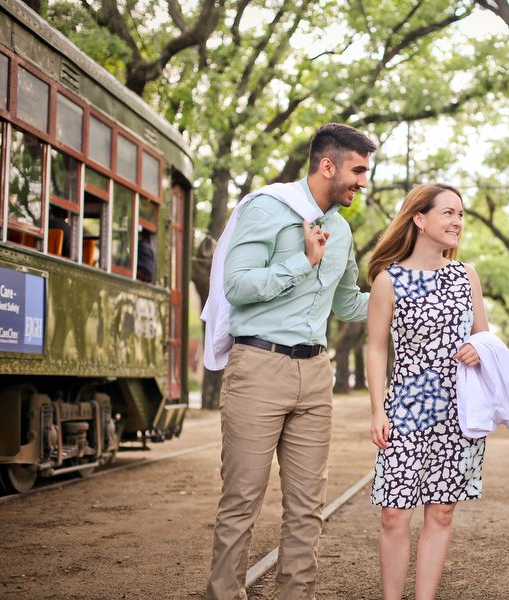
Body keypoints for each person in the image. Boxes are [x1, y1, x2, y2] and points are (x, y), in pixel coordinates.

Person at [204, 123, 376, 600]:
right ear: (328, 165)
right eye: (358, 170)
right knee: (241, 501)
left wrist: (406, 297)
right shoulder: (267, 209)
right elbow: (236, 287)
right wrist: (302, 262)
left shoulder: (341, 230)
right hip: (259, 366)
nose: (363, 181)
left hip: (317, 373)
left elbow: (348, 305)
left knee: (307, 507)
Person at [366, 183, 489, 600]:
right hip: (405, 408)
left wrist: (478, 348)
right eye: (448, 213)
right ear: (419, 219)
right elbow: (377, 348)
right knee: (394, 514)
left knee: (441, 511)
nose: (457, 221)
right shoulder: (389, 280)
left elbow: (484, 336)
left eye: (460, 214)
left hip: (458, 410)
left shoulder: (465, 275)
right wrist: (378, 411)